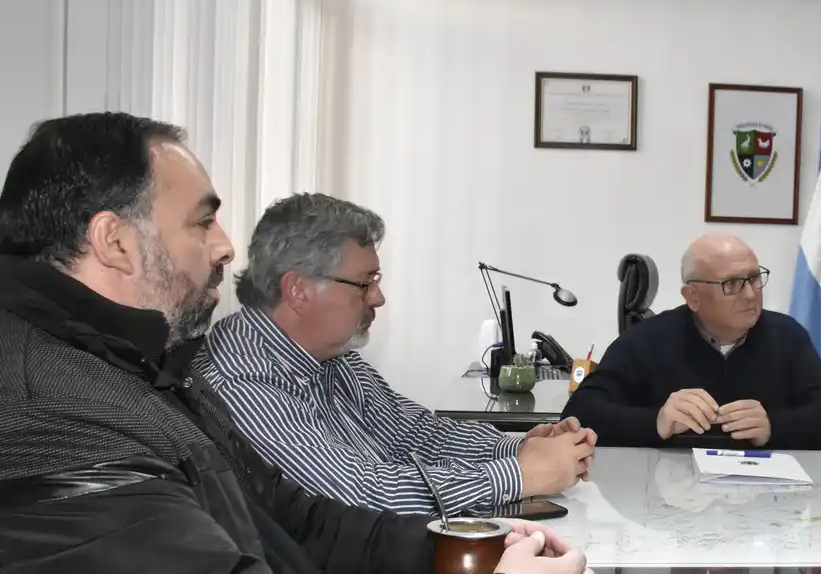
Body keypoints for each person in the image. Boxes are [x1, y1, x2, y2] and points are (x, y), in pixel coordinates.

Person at [0, 113, 592, 574]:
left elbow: (299, 521)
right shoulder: (49, 412)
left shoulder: (138, 370)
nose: (224, 248)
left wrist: (463, 545)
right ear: (115, 240)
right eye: (202, 223)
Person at [198, 193, 596, 517]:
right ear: (299, 290)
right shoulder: (244, 380)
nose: (379, 298)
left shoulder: (333, 359)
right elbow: (362, 497)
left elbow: (419, 434)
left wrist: (519, 446)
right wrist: (520, 475)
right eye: (364, 283)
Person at [561, 232, 821, 449]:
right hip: (670, 508)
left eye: (754, 278)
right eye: (732, 284)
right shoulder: (647, 339)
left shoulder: (787, 335)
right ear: (693, 297)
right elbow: (579, 413)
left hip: (762, 511)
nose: (751, 294)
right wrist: (656, 422)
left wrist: (774, 427)